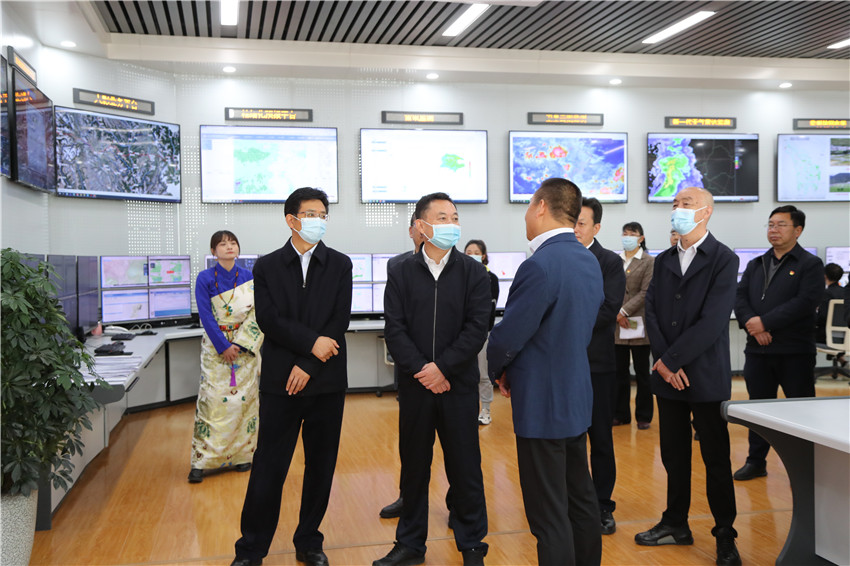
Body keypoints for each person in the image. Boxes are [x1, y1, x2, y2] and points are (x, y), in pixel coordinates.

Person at [232, 188, 353, 566]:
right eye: (311, 214)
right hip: (280, 382)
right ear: (292, 220)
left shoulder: (340, 264)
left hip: (326, 381)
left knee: (321, 466)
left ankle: (309, 542)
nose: (319, 220)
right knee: (269, 467)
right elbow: (269, 319)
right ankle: (251, 549)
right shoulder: (267, 266)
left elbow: (339, 320)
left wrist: (310, 363)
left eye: (323, 214)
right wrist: (310, 345)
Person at [488, 178, 604, 566]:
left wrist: (499, 369)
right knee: (580, 500)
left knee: (548, 513)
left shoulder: (539, 264)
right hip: (575, 397)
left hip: (542, 404)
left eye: (527, 206)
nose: (525, 215)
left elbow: (510, 334)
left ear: (540, 207)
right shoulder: (588, 260)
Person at [374, 193, 491, 566]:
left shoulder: (474, 272)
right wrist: (424, 370)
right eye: (442, 217)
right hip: (416, 387)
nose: (451, 224)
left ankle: (472, 544)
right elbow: (395, 329)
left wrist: (444, 368)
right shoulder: (401, 271)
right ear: (421, 226)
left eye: (454, 217)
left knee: (465, 468)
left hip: (457, 386)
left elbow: (477, 328)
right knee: (414, 467)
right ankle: (410, 544)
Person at [636, 186, 741, 566]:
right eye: (675, 204)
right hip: (668, 377)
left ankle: (725, 534)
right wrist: (665, 363)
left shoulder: (723, 259)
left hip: (705, 376)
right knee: (673, 455)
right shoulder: (664, 260)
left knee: (716, 458)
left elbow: (713, 320)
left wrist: (672, 360)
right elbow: (651, 312)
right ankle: (675, 522)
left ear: (706, 212)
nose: (678, 209)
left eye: (687, 204)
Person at [733, 205, 824, 482]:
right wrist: (753, 324)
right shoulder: (756, 264)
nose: (774, 230)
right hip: (758, 350)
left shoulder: (810, 264)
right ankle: (756, 461)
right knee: (758, 409)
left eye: (781, 225)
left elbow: (805, 302)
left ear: (798, 230)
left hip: (794, 351)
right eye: (771, 224)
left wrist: (765, 322)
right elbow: (740, 297)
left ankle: (807, 464)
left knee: (801, 409)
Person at [189, 230, 264, 484]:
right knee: (212, 404)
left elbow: (257, 312)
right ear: (214, 251)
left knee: (244, 404)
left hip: (244, 349)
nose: (229, 247)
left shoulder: (249, 277)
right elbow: (206, 315)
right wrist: (223, 346)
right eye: (222, 244)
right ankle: (201, 462)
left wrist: (240, 344)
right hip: (216, 348)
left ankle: (243, 456)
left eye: (233, 243)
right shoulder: (205, 278)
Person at [573, 197, 625, 536]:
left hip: (597, 364)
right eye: (572, 222)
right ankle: (576, 504)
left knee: (601, 439)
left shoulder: (609, 262)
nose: (575, 228)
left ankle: (603, 505)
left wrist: (566, 324)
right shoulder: (559, 257)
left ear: (596, 227)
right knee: (570, 439)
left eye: (581, 223)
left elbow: (608, 309)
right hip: (564, 365)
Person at [379, 213, 426, 521]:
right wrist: (418, 365)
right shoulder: (397, 266)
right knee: (411, 444)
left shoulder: (464, 269)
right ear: (412, 231)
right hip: (411, 370)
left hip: (449, 372)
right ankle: (407, 499)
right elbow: (395, 322)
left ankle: (457, 504)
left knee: (458, 450)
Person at [613, 222, 655, 430]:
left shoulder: (649, 261)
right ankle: (620, 414)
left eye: (632, 233)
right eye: (625, 233)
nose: (627, 237)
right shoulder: (615, 260)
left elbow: (646, 292)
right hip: (617, 325)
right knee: (619, 373)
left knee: (642, 373)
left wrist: (624, 311)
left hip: (639, 323)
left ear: (641, 238)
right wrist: (616, 313)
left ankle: (644, 415)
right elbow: (610, 289)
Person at [464, 239, 500, 426]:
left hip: (482, 334)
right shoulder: (459, 276)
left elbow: (490, 309)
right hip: (461, 334)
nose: (472, 256)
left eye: (476, 253)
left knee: (483, 375)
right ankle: (466, 410)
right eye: (468, 253)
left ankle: (485, 409)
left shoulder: (491, 278)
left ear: (483, 256)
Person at [817, 263, 844, 344]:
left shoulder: (826, 294)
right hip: (846, 337)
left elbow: (822, 318)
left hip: (827, 337)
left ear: (825, 276)